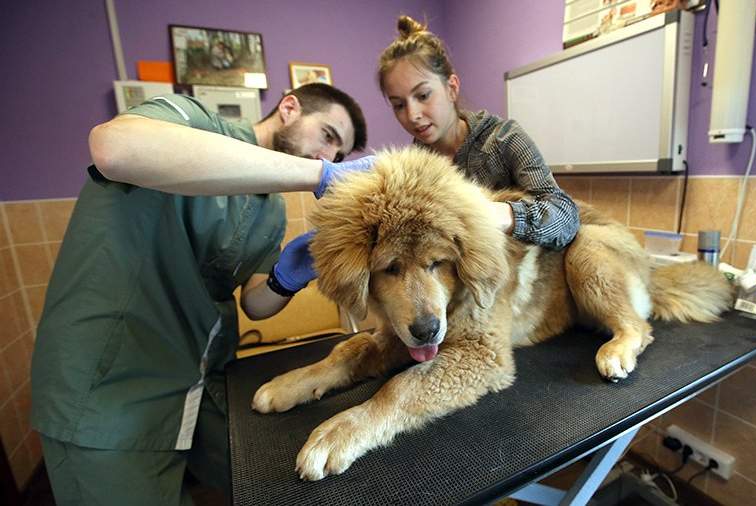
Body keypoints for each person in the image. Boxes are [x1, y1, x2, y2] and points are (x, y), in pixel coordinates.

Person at [30, 82, 374, 505]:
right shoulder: (193, 122)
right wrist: (319, 176)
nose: (328, 157)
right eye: (327, 136)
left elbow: (254, 303)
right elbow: (113, 148)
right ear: (289, 107)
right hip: (110, 382)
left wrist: (288, 278)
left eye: (338, 157)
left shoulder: (270, 209)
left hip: (199, 375)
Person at [377, 15, 580, 251]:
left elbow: (565, 216)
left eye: (423, 95)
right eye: (399, 105)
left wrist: (497, 215)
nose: (412, 115)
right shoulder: (412, 163)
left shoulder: (505, 139)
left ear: (451, 88)